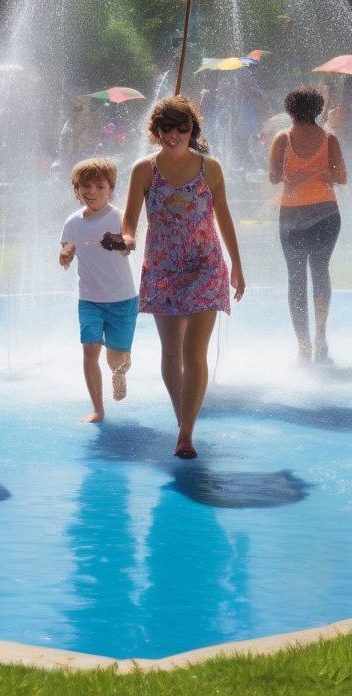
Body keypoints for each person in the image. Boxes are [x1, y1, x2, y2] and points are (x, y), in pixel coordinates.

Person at [122, 95, 245, 459]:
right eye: (167, 128)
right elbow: (130, 218)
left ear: (193, 130)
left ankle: (186, 433)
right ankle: (183, 419)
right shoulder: (144, 169)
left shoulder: (211, 168)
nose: (174, 135)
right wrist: (126, 239)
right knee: (171, 350)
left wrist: (236, 264)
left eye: (183, 128)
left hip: (205, 264)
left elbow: (224, 217)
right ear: (155, 131)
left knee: (195, 350)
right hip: (162, 267)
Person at [268, 87, 346, 362]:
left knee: (296, 277)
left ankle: (304, 345)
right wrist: (319, 171)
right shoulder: (329, 138)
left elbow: (274, 178)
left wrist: (297, 175)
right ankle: (320, 337)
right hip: (326, 213)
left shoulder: (282, 139)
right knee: (320, 271)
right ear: (318, 109)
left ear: (289, 110)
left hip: (291, 215)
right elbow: (342, 177)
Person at [59, 157, 138, 423]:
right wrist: (66, 255)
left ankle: (120, 371)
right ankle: (98, 409)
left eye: (99, 186)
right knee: (90, 351)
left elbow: (129, 243)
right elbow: (65, 253)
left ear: (111, 189)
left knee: (117, 358)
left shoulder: (118, 217)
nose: (92, 191)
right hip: (90, 300)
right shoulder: (72, 223)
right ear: (76, 189)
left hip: (123, 299)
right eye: (86, 186)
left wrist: (121, 244)